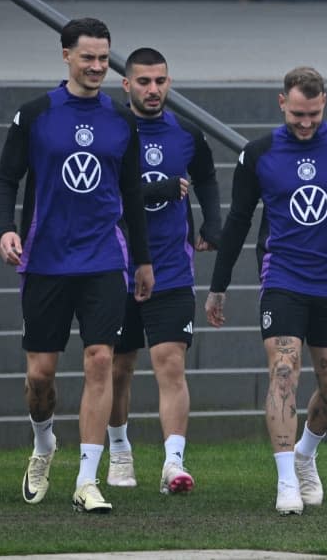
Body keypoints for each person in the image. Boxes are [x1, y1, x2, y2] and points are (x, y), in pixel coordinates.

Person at [204, 66, 327, 515]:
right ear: (281, 104)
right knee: (284, 371)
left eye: (312, 114)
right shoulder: (259, 154)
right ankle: (286, 480)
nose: (305, 123)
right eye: (296, 114)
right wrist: (219, 286)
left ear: (324, 102)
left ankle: (305, 455)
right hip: (283, 280)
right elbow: (237, 222)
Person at [0, 17, 154, 514]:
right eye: (88, 57)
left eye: (105, 59)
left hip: (104, 259)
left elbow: (131, 193)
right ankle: (44, 445)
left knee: (100, 360)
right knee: (40, 376)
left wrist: (143, 259)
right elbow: (6, 180)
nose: (97, 67)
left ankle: (88, 479)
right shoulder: (35, 113)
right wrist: (6, 228)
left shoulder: (121, 120)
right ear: (66, 55)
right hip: (45, 258)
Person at [106, 47, 222, 495]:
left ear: (168, 83)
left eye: (160, 81)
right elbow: (106, 192)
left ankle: (174, 463)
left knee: (170, 363)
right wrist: (158, 186)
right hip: (116, 267)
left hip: (173, 267)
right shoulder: (112, 130)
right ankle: (119, 451)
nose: (153, 90)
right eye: (143, 82)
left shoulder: (185, 133)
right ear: (127, 85)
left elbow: (207, 177)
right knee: (118, 367)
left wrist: (212, 222)